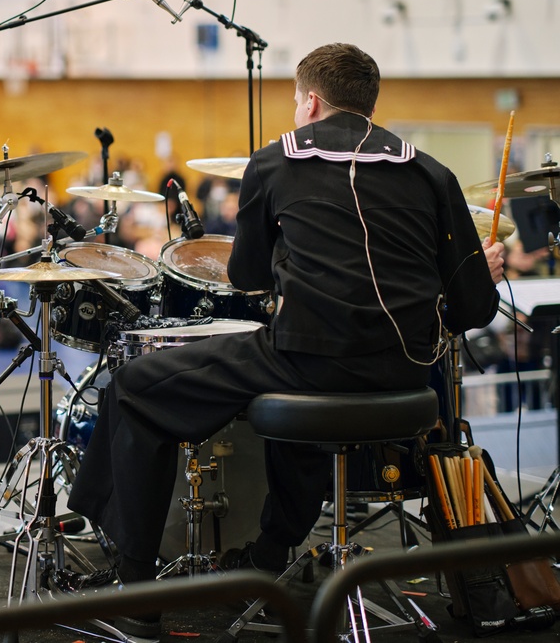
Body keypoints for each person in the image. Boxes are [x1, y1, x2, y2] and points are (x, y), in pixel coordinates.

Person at [67, 43, 505, 639]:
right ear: (370, 104)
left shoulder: (276, 163)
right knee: (300, 385)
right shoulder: (431, 172)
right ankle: (269, 556)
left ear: (312, 101)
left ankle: (138, 593)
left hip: (307, 361)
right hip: (406, 376)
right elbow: (474, 308)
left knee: (137, 385)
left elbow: (245, 278)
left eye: (298, 101)